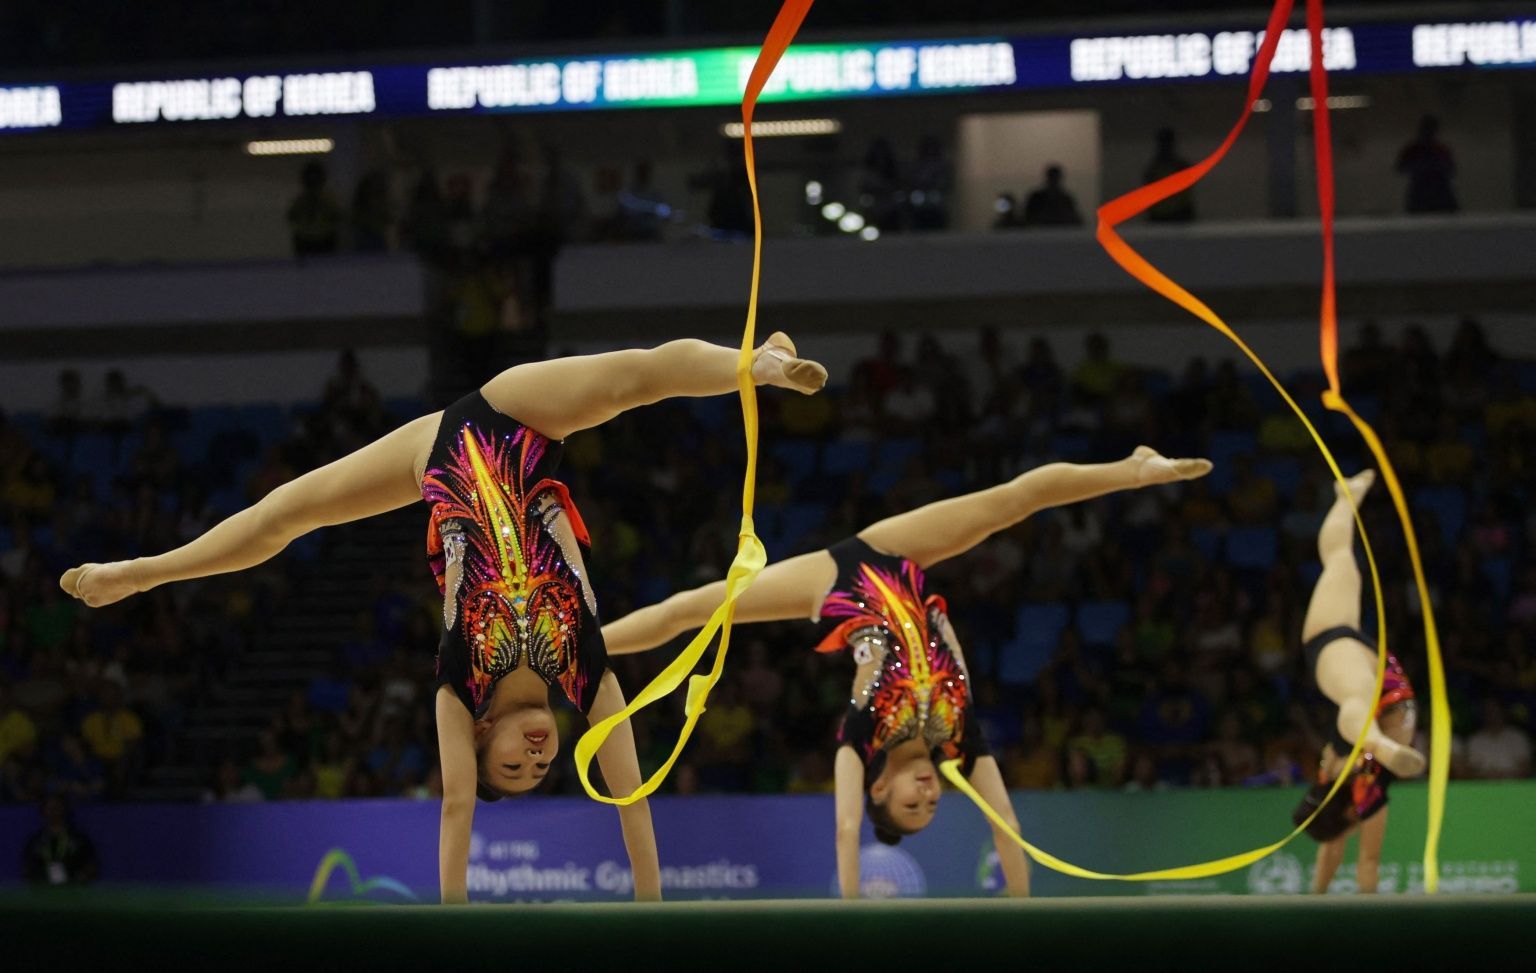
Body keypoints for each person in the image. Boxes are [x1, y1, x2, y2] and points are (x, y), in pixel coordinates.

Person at [59, 333, 828, 903]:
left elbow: (458, 805)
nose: (535, 758)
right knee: (629, 383)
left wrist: (452, 925)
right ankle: (760, 364)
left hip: (458, 435)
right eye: (540, 770)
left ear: (481, 735)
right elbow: (631, 796)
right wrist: (652, 910)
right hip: (522, 434)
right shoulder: (585, 669)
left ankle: (140, 571)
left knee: (282, 514)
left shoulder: (460, 681)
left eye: (512, 766)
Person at [602, 445, 1212, 898]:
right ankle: (1135, 470)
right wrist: (1025, 923)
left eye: (912, 805)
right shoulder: (959, 735)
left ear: (879, 790)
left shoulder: (860, 735)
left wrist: (853, 921)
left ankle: (585, 644)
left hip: (831, 582)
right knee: (1011, 503)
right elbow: (1008, 826)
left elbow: (846, 830)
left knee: (692, 610)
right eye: (931, 806)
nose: (929, 795)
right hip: (897, 558)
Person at [1290, 471, 1427, 894]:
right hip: (1362, 672)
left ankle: (1346, 497)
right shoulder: (1342, 781)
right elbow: (1350, 857)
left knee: (1357, 700)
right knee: (1340, 560)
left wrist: (1317, 902)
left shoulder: (1356, 790)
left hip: (1374, 683)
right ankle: (1344, 499)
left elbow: (1361, 862)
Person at [22, 794, 99, 887]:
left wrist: (82, 877)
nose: (53, 812)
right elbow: (26, 869)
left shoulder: (79, 839)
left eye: (56, 807)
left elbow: (91, 865)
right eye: (49, 808)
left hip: (74, 890)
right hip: (42, 891)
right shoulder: (35, 841)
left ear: (64, 809)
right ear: (43, 811)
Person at [1395, 115, 1457, 215]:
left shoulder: (1440, 150)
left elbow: (1451, 169)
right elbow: (1400, 168)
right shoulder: (1413, 149)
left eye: (1430, 130)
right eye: (1426, 129)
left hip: (1438, 191)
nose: (1428, 133)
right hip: (1421, 191)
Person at [286, 161, 342, 256]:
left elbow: (337, 215)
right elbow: (291, 216)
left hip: (325, 237)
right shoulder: (300, 200)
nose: (313, 182)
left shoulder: (328, 199)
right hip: (304, 238)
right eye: (310, 179)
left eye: (315, 179)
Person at [1142, 128, 1194, 223]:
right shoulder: (1154, 169)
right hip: (1160, 217)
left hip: (1179, 216)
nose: (1166, 147)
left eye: (1167, 143)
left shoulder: (1180, 167)